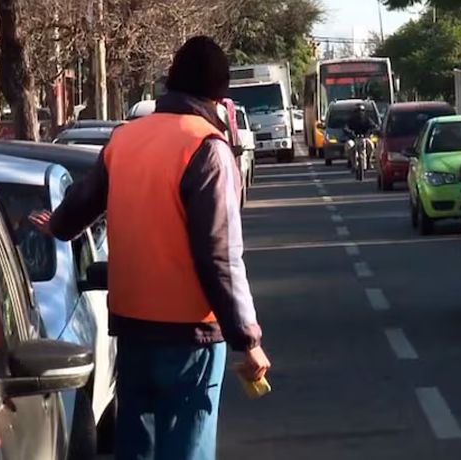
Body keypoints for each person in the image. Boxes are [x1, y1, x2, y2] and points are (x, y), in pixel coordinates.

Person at [29, 36, 270, 460]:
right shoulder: (208, 149)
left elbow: (81, 204)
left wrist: (58, 227)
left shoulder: (125, 139)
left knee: (136, 445)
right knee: (186, 446)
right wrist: (246, 339)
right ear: (219, 92)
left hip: (134, 326)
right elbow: (220, 256)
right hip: (191, 336)